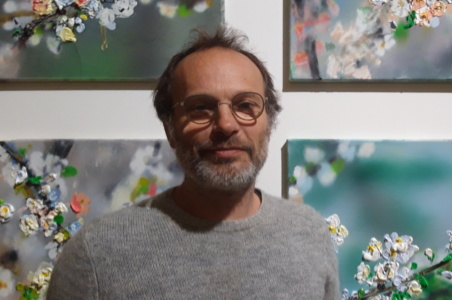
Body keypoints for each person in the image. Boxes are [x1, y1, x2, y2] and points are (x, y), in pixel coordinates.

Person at [46, 26, 340, 299]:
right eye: (200, 108)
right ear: (169, 129)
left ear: (270, 122)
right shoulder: (96, 254)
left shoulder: (309, 235)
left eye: (245, 105)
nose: (226, 125)